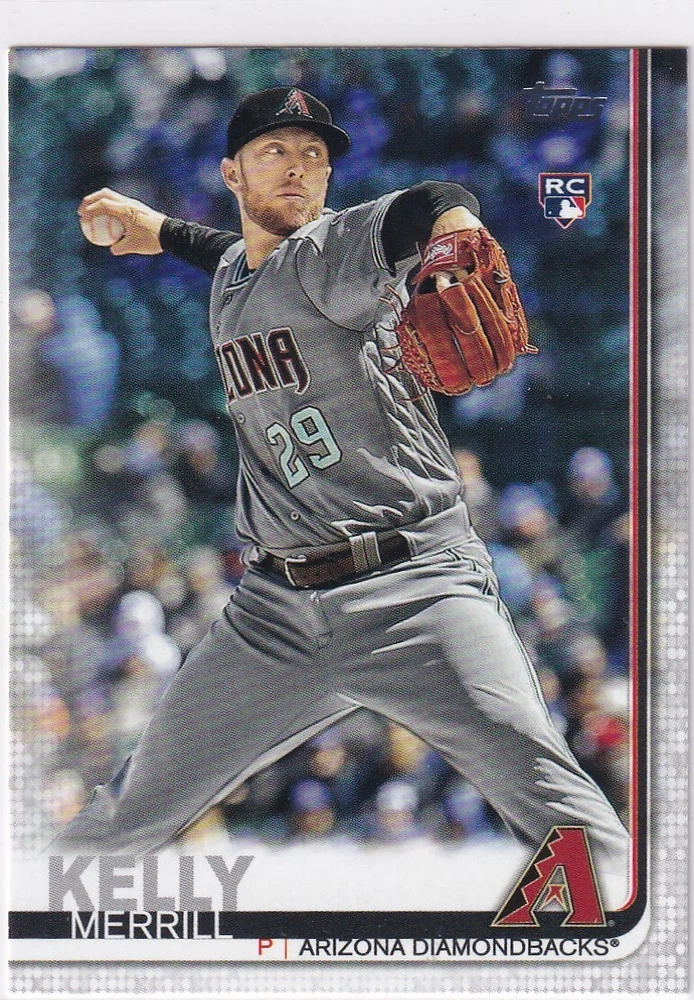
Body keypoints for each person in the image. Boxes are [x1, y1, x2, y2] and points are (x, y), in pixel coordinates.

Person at [56, 87, 629, 904]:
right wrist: (160, 231)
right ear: (230, 173)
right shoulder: (237, 273)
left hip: (416, 592)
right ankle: (34, 940)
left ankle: (623, 940)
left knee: (554, 805)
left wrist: (455, 232)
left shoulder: (333, 248)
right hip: (273, 618)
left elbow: (434, 200)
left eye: (314, 155)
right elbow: (234, 256)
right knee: (124, 815)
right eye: (275, 153)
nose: (298, 168)